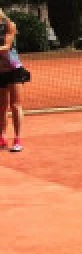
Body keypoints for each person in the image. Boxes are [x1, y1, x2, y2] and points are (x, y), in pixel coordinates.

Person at [0, 9, 30, 152]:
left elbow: (6, 47)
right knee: (1, 107)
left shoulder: (9, 25)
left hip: (14, 70)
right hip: (0, 72)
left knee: (15, 105)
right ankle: (2, 137)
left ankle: (17, 139)